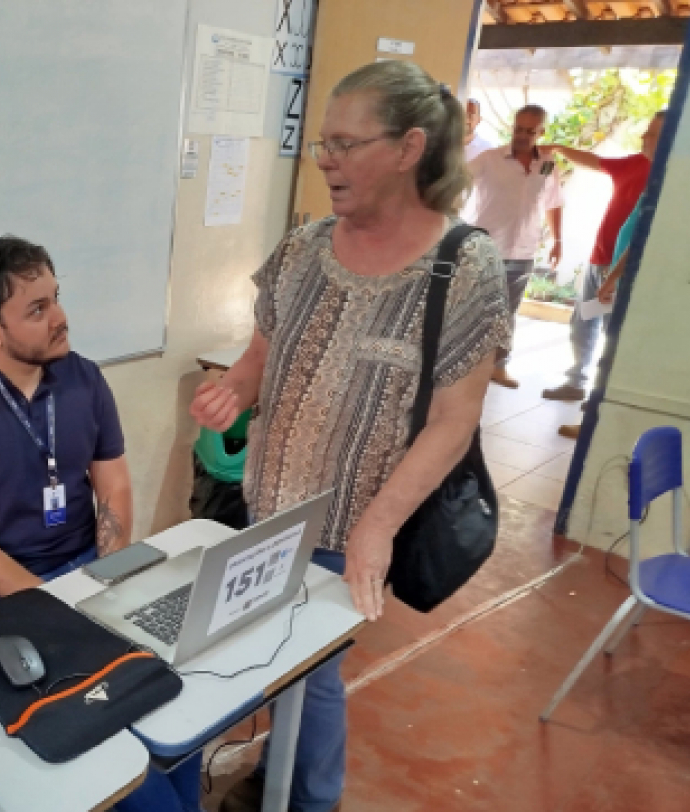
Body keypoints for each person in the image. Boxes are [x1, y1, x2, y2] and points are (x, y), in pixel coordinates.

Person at [191, 61, 511, 812]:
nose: (326, 161)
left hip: (350, 521)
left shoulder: (464, 267)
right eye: (320, 144)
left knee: (312, 671)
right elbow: (264, 354)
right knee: (254, 652)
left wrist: (378, 527)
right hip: (267, 503)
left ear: (406, 149)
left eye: (344, 144)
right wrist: (233, 389)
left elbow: (453, 421)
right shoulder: (304, 248)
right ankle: (272, 773)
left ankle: (311, 800)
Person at [0, 236, 201, 812]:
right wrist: (54, 607)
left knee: (171, 703)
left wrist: (108, 569)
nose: (59, 317)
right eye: (36, 310)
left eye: (55, 298)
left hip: (82, 566)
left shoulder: (83, 379)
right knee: (88, 720)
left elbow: (112, 484)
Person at [540, 112, 665, 402]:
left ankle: (603, 395)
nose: (644, 137)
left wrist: (615, 275)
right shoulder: (633, 164)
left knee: (614, 334)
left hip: (626, 270)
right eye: (646, 131)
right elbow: (592, 162)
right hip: (600, 259)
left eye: (653, 133)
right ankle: (576, 381)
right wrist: (558, 148)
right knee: (584, 322)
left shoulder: (669, 180)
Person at [464, 104, 564, 389]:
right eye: (518, 128)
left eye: (529, 131)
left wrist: (558, 240)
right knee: (474, 309)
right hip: (485, 248)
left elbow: (554, 204)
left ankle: (498, 367)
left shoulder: (548, 165)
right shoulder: (489, 159)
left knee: (507, 313)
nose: (522, 135)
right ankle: (463, 367)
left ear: (541, 132)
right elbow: (455, 182)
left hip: (523, 252)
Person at [555, 191, 647, 440]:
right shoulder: (653, 185)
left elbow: (639, 240)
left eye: (648, 146)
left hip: (632, 282)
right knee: (592, 328)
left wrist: (614, 277)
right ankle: (593, 408)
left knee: (615, 351)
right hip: (620, 279)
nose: (643, 147)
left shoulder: (663, 179)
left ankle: (595, 422)